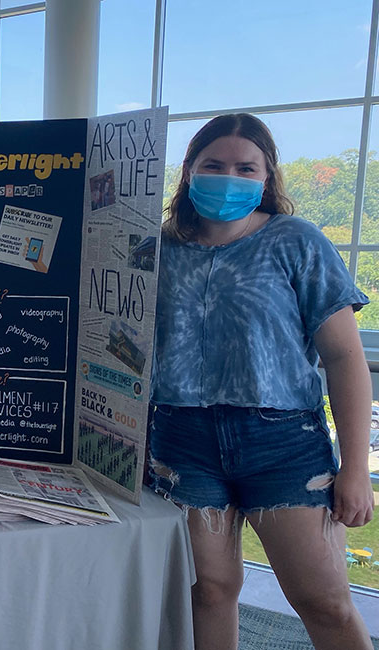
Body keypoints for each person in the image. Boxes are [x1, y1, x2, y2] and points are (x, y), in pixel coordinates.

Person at [150, 113, 373, 650]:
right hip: (183, 442)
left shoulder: (296, 241)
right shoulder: (158, 250)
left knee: (326, 602)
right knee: (209, 592)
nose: (229, 176)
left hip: (282, 444)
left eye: (245, 167)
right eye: (214, 165)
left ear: (267, 176)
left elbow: (344, 358)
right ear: (188, 172)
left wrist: (356, 467)